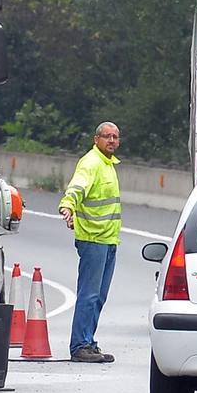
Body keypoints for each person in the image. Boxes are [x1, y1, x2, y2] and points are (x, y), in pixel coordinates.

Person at [58, 122, 122, 363]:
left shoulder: (108, 165)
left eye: (115, 137)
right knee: (89, 294)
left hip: (108, 239)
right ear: (96, 139)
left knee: (99, 295)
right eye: (107, 136)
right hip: (93, 239)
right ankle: (80, 345)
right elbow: (77, 188)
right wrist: (68, 206)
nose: (112, 140)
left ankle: (89, 341)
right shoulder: (91, 163)